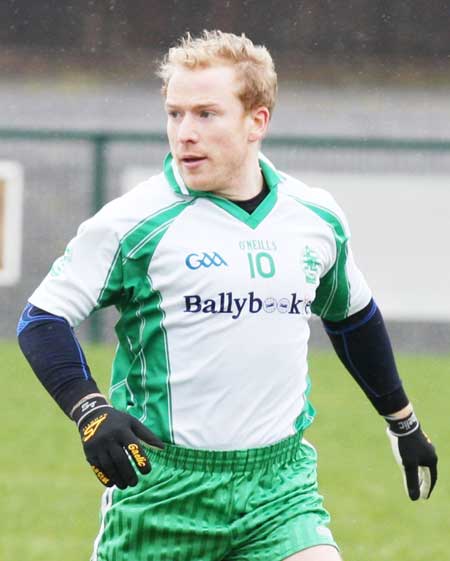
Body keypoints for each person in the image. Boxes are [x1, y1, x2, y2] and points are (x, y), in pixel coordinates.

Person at [18, 30, 437, 561]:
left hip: (279, 489)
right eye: (175, 114)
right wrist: (90, 409)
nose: (184, 133)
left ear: (256, 121)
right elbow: (42, 319)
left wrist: (404, 424)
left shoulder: (314, 217)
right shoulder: (134, 222)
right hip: (163, 492)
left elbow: (353, 317)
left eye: (206, 114)